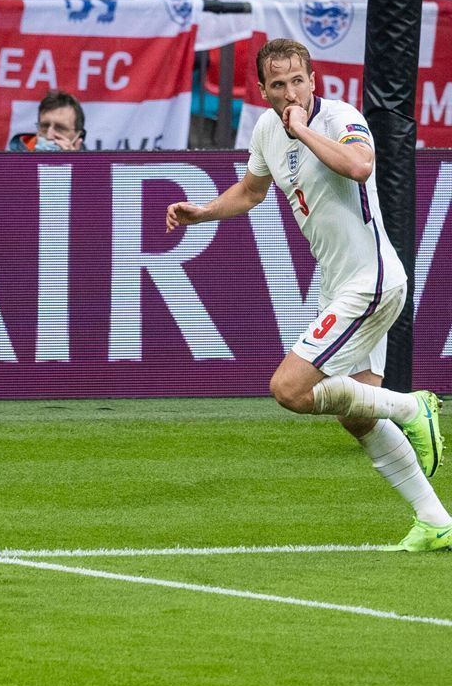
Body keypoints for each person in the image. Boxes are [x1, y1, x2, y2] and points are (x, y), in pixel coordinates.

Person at [165, 38, 448, 552]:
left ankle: (413, 408)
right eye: (278, 84)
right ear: (263, 90)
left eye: (298, 80)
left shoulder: (340, 117)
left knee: (289, 389)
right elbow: (251, 191)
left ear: (314, 79)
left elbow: (361, 166)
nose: (290, 91)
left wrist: (304, 131)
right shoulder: (267, 130)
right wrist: (203, 212)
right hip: (337, 284)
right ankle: (435, 519)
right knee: (357, 413)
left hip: (372, 280)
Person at [7, 90, 85, 152]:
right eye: (44, 126)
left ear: (78, 136)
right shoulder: (12, 163)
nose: (49, 136)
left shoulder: (92, 169)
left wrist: (75, 166)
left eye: (60, 128)